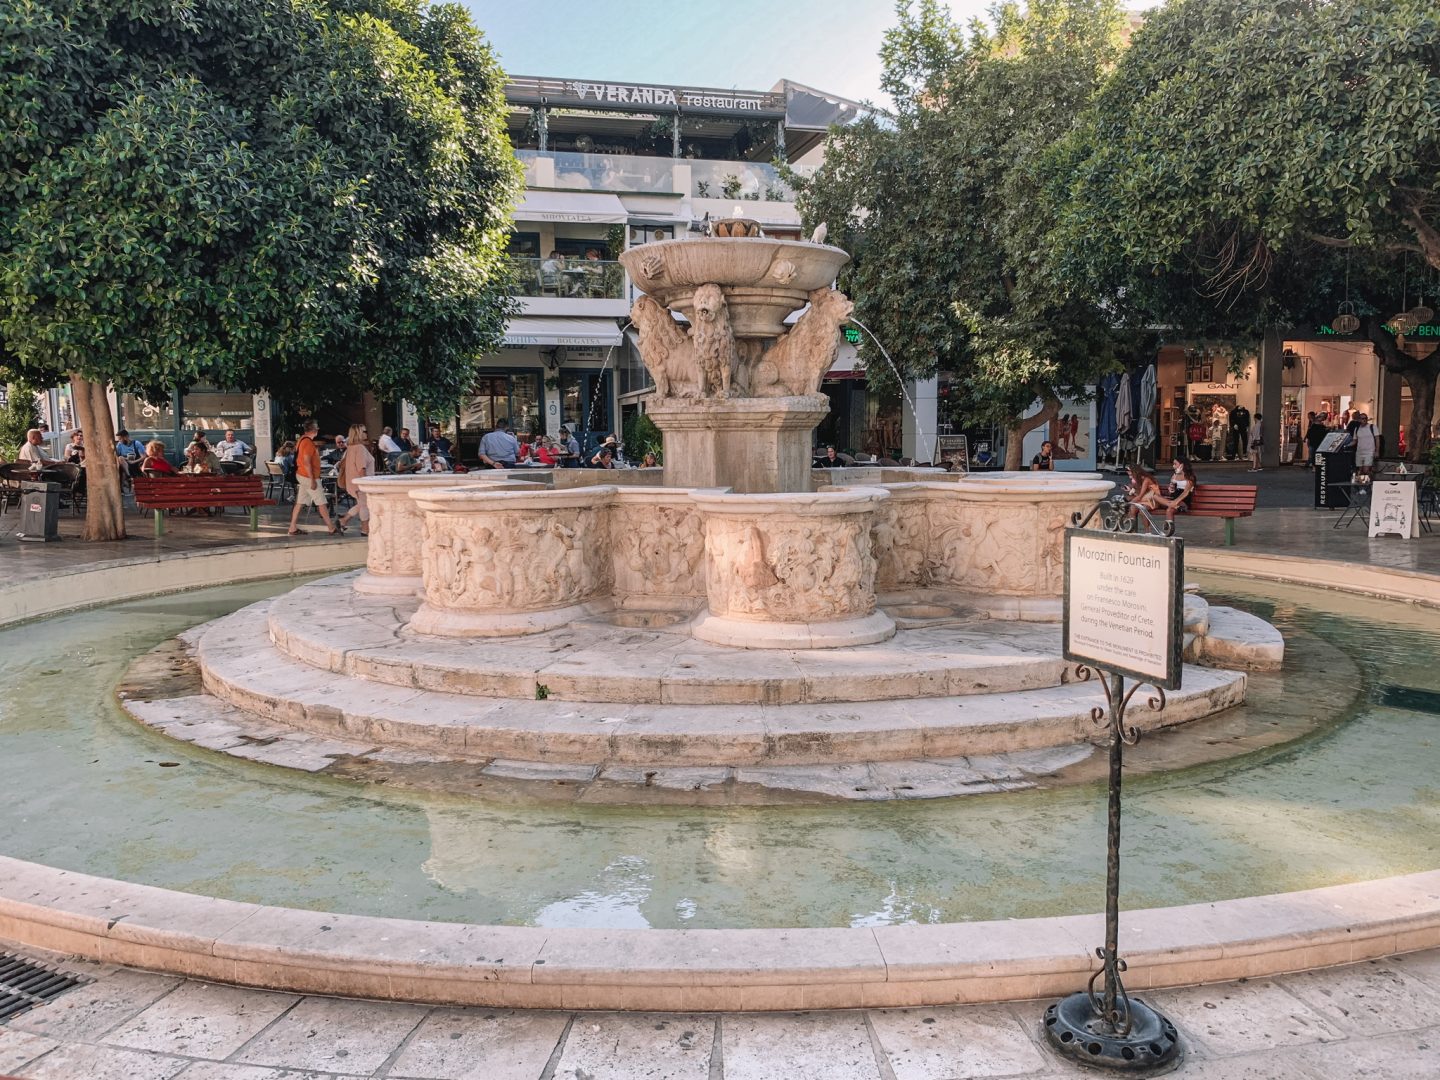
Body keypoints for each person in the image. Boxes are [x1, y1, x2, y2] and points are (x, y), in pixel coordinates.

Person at [287, 420, 340, 536]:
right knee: (321, 501)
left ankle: (292, 527)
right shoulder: (308, 443)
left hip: (302, 474)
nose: (318, 429)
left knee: (300, 502)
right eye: (317, 427)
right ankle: (331, 528)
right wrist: (312, 480)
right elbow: (307, 462)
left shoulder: (301, 440)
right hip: (308, 476)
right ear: (313, 429)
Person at [337, 424, 374, 535]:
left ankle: (343, 521)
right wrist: (365, 484)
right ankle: (365, 529)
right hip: (361, 482)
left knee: (361, 504)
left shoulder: (350, 448)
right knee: (364, 506)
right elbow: (361, 467)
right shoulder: (359, 448)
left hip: (353, 481)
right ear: (358, 433)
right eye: (364, 431)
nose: (366, 433)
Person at [1349, 412, 1379, 478]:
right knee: (1360, 470)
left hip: (1369, 451)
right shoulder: (1357, 429)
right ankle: (1362, 484)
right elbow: (1354, 441)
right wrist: (1347, 445)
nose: (1364, 420)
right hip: (1359, 452)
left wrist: (1377, 451)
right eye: (1362, 418)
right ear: (1359, 420)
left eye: (1365, 418)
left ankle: (1371, 480)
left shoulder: (1372, 427)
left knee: (1366, 470)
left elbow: (1377, 439)